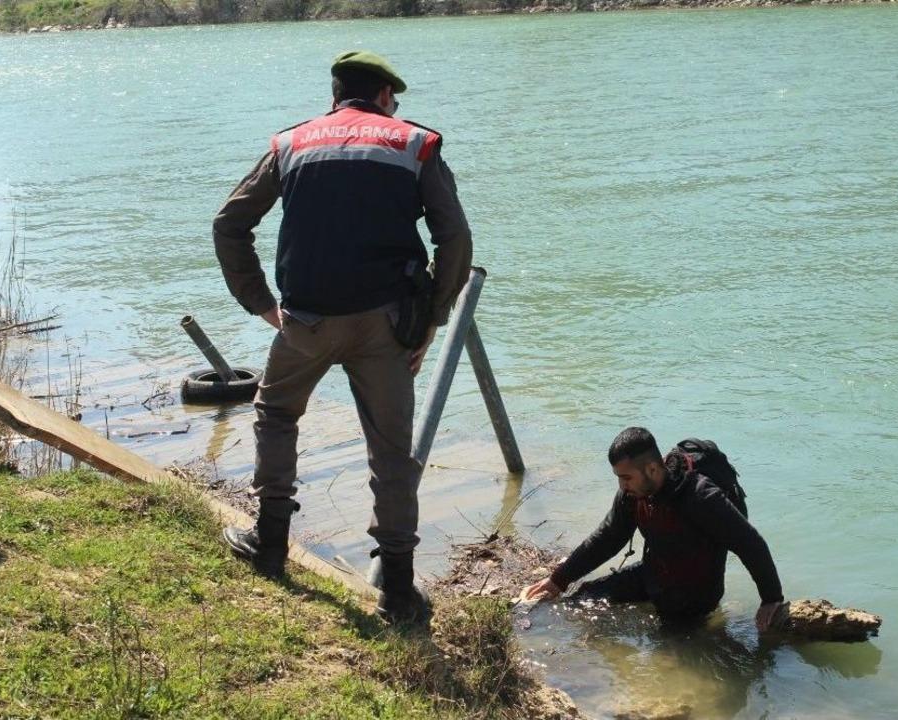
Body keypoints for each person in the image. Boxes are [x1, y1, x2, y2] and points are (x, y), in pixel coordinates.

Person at [211, 50, 472, 625]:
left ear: (335, 96)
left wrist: (262, 305)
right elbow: (454, 237)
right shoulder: (415, 143)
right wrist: (432, 318)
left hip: (305, 322)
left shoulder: (291, 144)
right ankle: (398, 591)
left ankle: (270, 543)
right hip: (387, 324)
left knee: (277, 414)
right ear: (384, 96)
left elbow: (230, 224)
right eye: (393, 100)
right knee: (390, 449)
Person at [521, 427, 785, 631]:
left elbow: (750, 544)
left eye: (626, 478)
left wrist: (771, 599)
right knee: (582, 599)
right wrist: (558, 580)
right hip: (654, 573)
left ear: (652, 469)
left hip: (694, 595)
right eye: (619, 478)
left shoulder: (700, 497)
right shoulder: (632, 494)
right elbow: (608, 537)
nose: (622, 486)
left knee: (669, 651)